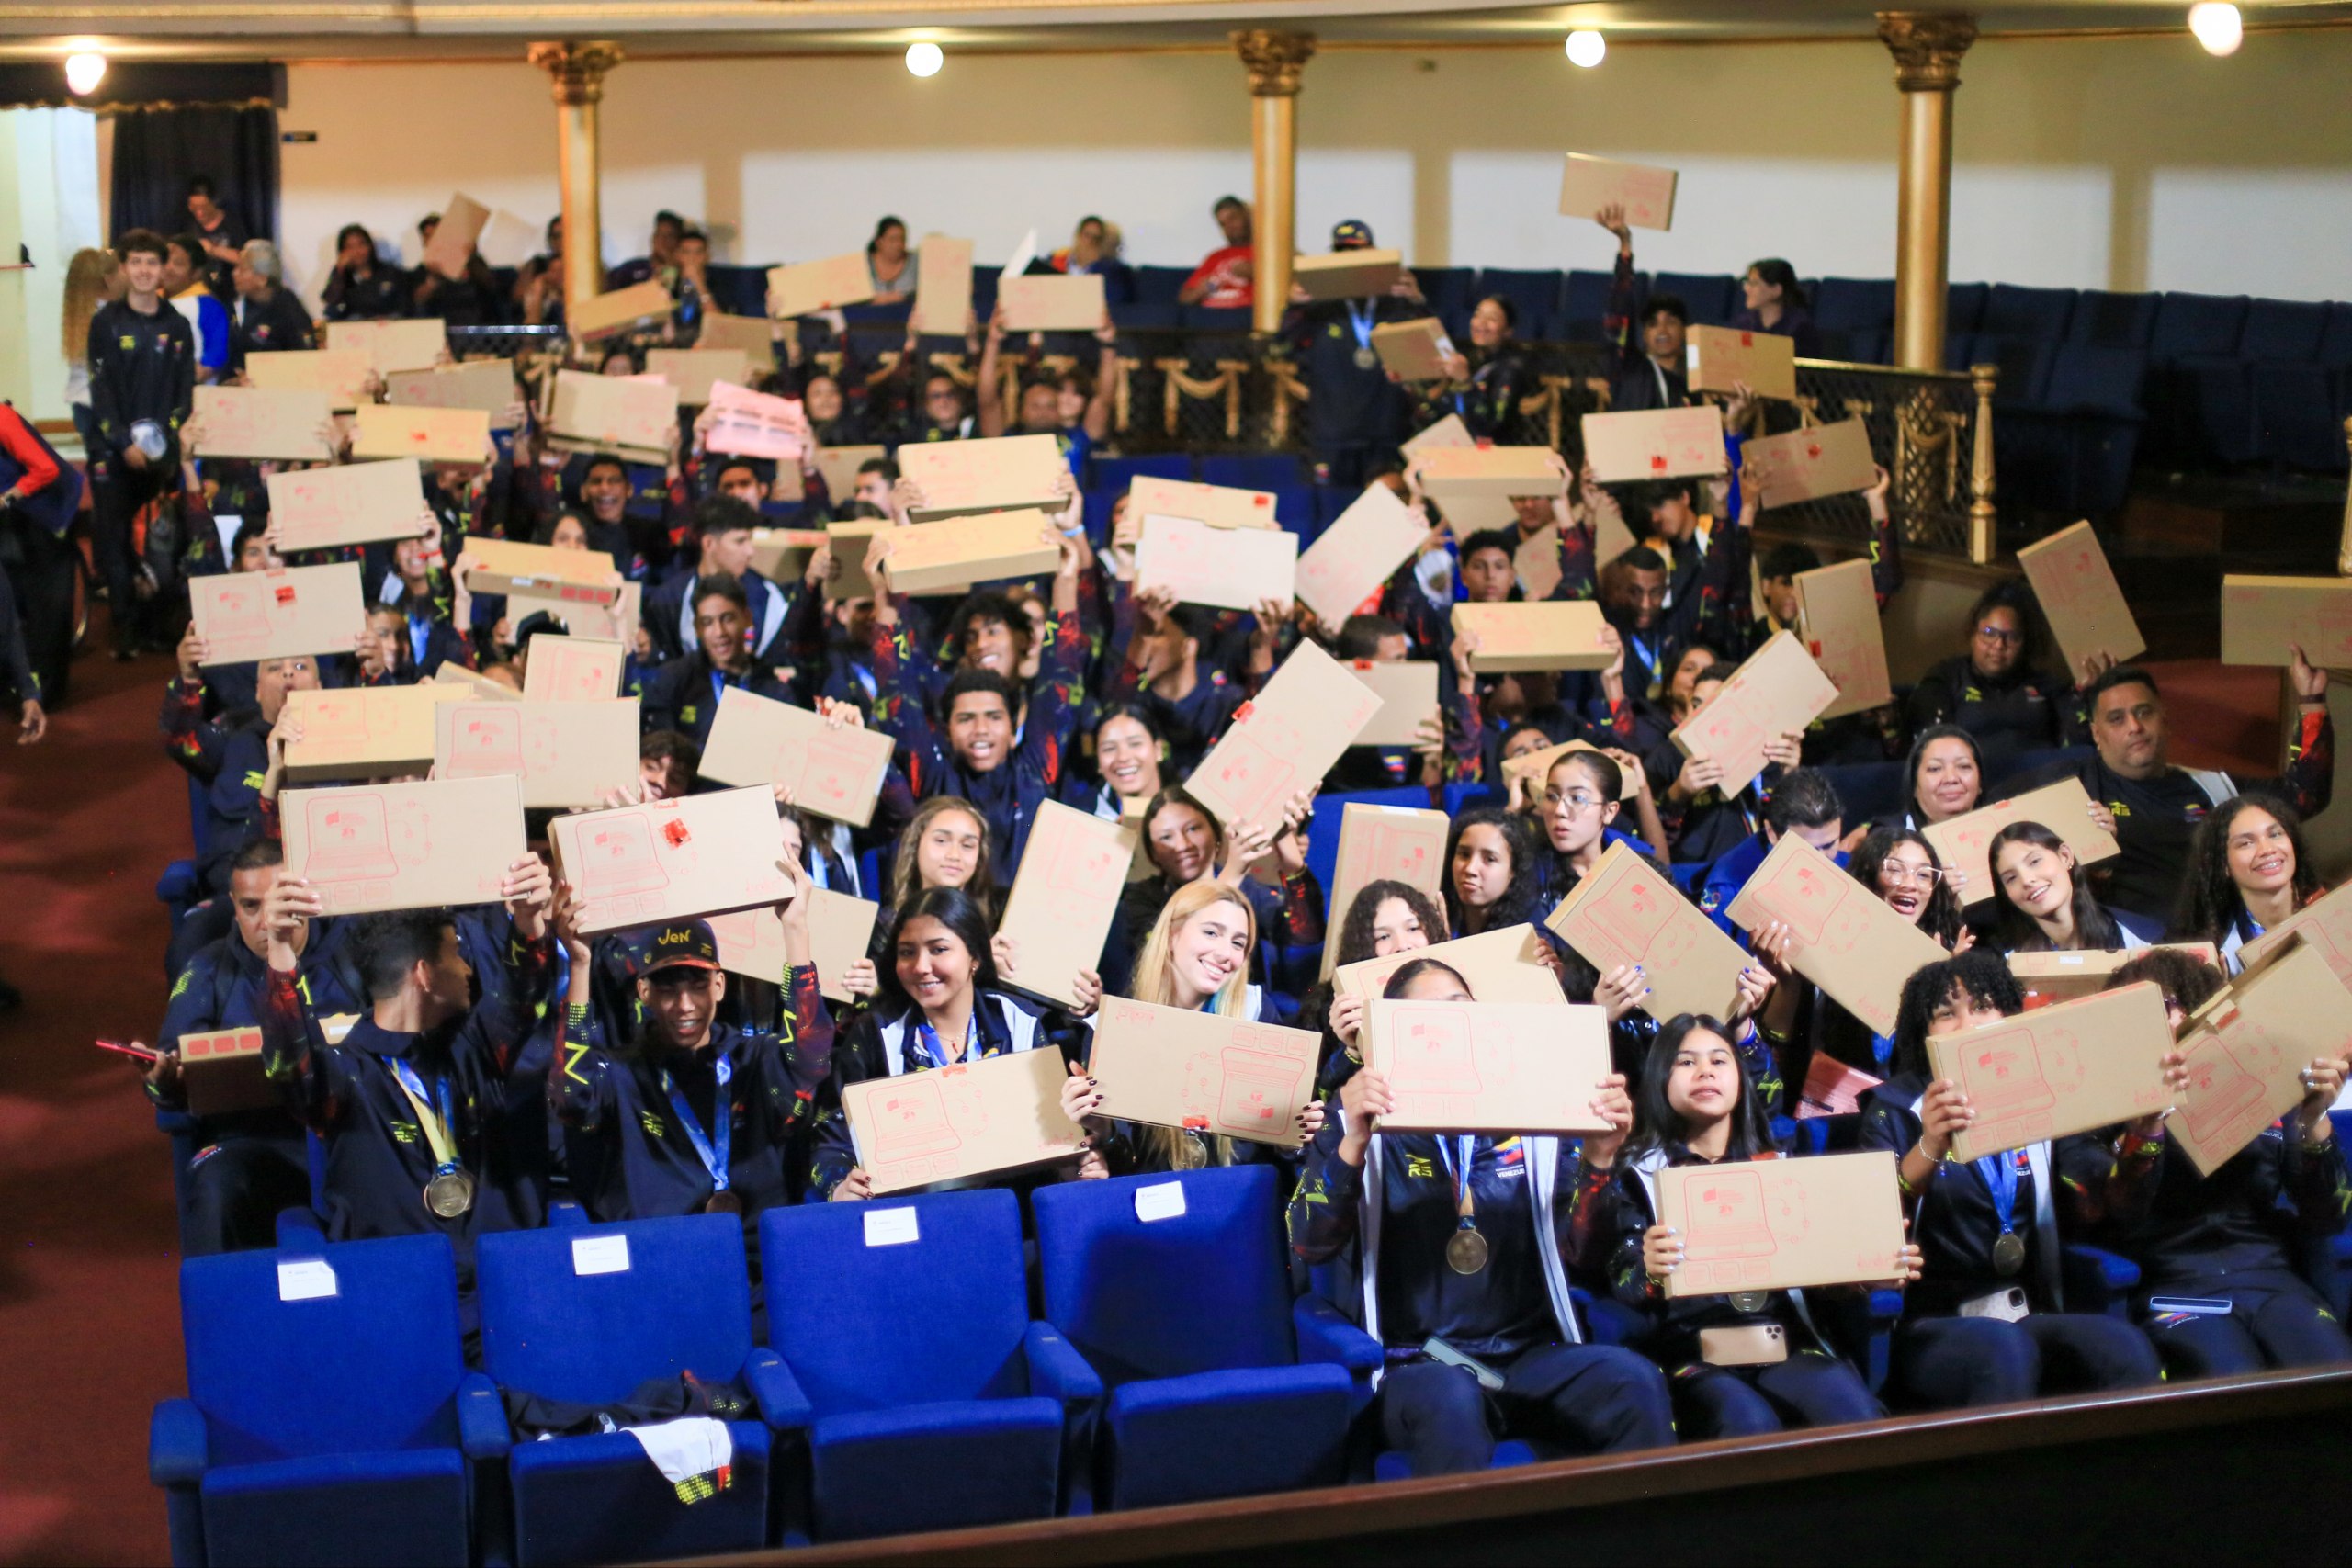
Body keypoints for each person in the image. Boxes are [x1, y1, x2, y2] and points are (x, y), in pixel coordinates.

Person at [1289, 958, 1677, 1474]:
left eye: (1461, 1008)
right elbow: (1308, 1243)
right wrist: (1352, 1141)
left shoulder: (1538, 1120)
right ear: (1393, 1036)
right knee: (1451, 1403)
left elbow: (1583, 1254)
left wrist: (1600, 1161)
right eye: (1427, 1018)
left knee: (1634, 1381)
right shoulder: (1359, 1124)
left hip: (1529, 1357)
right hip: (1421, 1364)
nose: (1451, 1026)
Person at [1857, 952, 2169, 1407]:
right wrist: (1930, 1144)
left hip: (2026, 1314)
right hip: (1934, 1324)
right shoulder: (1893, 1109)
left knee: (2124, 1347)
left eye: (1983, 1006)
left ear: (2007, 1015)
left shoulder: (2042, 1098)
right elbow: (1868, 1235)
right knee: (2005, 1352)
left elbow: (2105, 1204)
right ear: (1924, 1033)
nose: (1968, 1025)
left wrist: (2144, 1133)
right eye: (1947, 1013)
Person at [1573, 1013, 1897, 1438]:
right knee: (1747, 1421)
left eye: (1719, 1060)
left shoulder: (1781, 1166)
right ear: (1659, 1079)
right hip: (1692, 1355)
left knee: (1853, 1414)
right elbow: (1621, 1275)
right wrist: (1649, 1271)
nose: (1705, 1071)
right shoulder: (1639, 1173)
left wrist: (1868, 1267)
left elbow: (1823, 1278)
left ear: (1741, 1079)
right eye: (1686, 1062)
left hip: (1787, 1344)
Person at [255, 857, 557, 1255]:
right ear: (424, 973)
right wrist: (279, 946)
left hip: (498, 1273)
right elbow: (290, 1064)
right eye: (456, 954)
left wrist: (529, 919)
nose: (468, 969)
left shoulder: (478, 1046)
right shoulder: (346, 1073)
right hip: (397, 1281)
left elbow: (525, 994)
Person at [2093, 949, 2352, 1378]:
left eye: (2166, 1005)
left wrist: (2312, 1119)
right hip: (2176, 1288)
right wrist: (2146, 1128)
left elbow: (2328, 1215)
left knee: (2332, 1373)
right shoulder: (2105, 1110)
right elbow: (2120, 1211)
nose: (2155, 1023)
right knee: (2232, 1378)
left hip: (2272, 1281)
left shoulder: (2263, 1089)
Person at [549, 865, 832, 1224]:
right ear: (644, 992)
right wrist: (580, 963)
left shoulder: (751, 1058)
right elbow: (571, 1097)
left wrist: (795, 930)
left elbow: (811, 1059)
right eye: (668, 989)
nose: (685, 1005)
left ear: (719, 986)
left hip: (757, 1248)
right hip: (667, 1249)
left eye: (697, 986)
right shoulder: (623, 1073)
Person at [135, 838, 363, 1253]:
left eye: (279, 903)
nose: (265, 922)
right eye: (251, 907)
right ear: (234, 906)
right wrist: (162, 1082)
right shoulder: (206, 969)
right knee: (216, 1187)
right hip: (257, 1141)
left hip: (351, 1136)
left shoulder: (354, 955)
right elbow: (170, 1081)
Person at [808, 887, 1102, 1201]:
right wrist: (839, 1186)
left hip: (1015, 1212)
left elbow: (1066, 1144)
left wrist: (1078, 1167)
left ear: (974, 956)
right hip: (915, 1214)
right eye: (907, 952)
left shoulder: (1023, 1023)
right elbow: (831, 1140)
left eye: (939, 949)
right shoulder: (874, 1034)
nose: (921, 966)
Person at [2026, 661, 2333, 929]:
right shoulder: (2072, 786)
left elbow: (2303, 797)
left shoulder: (2212, 786)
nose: (2134, 726)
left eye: (2144, 712)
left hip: (2221, 943)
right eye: (2117, 719)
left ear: (2164, 718)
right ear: (2096, 733)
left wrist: (2312, 700)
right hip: (2127, 951)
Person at [867, 527, 1088, 877]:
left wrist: (1065, 580)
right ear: (947, 730)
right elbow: (896, 696)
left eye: (993, 717)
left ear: (1014, 728)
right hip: (946, 913)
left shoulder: (1034, 770)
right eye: (966, 718)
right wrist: (885, 598)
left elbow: (1060, 681)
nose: (981, 729)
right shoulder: (932, 776)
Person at [87, 229, 197, 660]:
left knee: (160, 540)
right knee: (115, 540)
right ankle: (126, 630)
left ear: (163, 268)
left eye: (152, 262)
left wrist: (165, 441)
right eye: (136, 262)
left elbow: (184, 390)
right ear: (123, 268)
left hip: (161, 453)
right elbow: (100, 388)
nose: (144, 271)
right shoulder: (105, 324)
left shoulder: (178, 325)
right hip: (113, 454)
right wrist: (121, 442)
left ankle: (157, 626)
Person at [1279, 220, 1428, 487]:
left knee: (1386, 506)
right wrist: (1293, 307)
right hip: (1333, 434)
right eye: (1342, 252)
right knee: (1333, 506)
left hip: (1385, 431)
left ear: (1373, 253)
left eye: (1357, 250)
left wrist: (1417, 301)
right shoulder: (1318, 306)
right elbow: (1280, 350)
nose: (1350, 258)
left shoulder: (1396, 301)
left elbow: (1430, 354)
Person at [1903, 581, 2079, 766]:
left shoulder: (2047, 685)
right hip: (1974, 778)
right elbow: (1928, 750)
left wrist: (2088, 694)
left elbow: (2078, 744)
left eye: (2012, 637)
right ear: (1973, 634)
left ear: (2025, 643)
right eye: (1989, 632)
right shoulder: (1947, 678)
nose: (1999, 645)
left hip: (2044, 777)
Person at [1300, 880, 1449, 1096]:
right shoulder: (1339, 1010)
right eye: (1384, 936)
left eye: (1413, 928)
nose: (1403, 945)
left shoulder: (1457, 994)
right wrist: (1353, 1049)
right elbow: (1325, 1104)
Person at [639, 573, 795, 747]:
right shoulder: (673, 681)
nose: (719, 632)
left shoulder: (774, 690)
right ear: (697, 629)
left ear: (747, 618)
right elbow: (658, 749)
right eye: (707, 623)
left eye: (727, 619)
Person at [2170, 793, 2322, 967]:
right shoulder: (2220, 954)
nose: (2267, 849)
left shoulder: (2335, 908)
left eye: (2275, 835)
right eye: (2246, 843)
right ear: (2223, 864)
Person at [1987, 819, 2159, 953]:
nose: (2026, 880)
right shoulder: (2006, 963)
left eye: (2034, 862)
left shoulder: (2142, 938)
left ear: (2065, 856)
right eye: (2011, 878)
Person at [1592, 205, 1692, 412]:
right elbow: (1619, 316)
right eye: (1653, 324)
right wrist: (1625, 245)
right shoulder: (1631, 370)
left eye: (1671, 322)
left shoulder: (1695, 384)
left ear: (1685, 331)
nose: (1662, 330)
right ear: (1644, 334)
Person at [227, 241, 315, 371]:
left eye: (243, 269)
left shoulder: (289, 310)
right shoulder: (237, 306)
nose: (234, 273)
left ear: (262, 279)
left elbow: (305, 357)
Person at [161, 236, 231, 384]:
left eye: (178, 264)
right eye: (165, 260)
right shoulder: (154, 301)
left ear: (196, 272)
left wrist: (193, 376)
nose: (168, 268)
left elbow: (217, 352)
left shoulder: (207, 305)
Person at [1901, 724, 1984, 829]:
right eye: (1935, 769)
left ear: (1980, 781)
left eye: (1964, 766)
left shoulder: (2002, 833)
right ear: (1914, 786)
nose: (1951, 778)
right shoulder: (1891, 837)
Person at [1730, 260, 1820, 358]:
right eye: (1747, 282)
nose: (1746, 288)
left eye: (1754, 283)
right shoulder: (1744, 323)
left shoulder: (1799, 327)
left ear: (1776, 290)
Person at [320, 223, 409, 321]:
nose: (357, 251)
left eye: (361, 244)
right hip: (354, 327)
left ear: (370, 246)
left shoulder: (390, 273)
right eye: (350, 247)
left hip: (389, 325)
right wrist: (340, 269)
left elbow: (404, 306)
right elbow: (331, 301)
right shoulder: (341, 276)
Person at [1177, 197, 1254, 310]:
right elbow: (1183, 299)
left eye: (1233, 218)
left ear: (1246, 215)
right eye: (1223, 224)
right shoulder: (1215, 256)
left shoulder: (1266, 252)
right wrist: (1201, 291)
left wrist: (1254, 272)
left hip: (1243, 313)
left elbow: (1280, 285)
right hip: (1209, 315)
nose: (1229, 227)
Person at [184, 175, 248, 296]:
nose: (200, 213)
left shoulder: (232, 222)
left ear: (214, 202)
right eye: (194, 207)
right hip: (201, 292)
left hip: (231, 292)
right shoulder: (190, 226)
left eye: (204, 207)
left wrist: (214, 250)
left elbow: (246, 259)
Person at [865, 216, 917, 304]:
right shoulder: (863, 265)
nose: (898, 244)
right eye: (893, 240)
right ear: (879, 242)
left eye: (902, 239)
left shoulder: (916, 262)